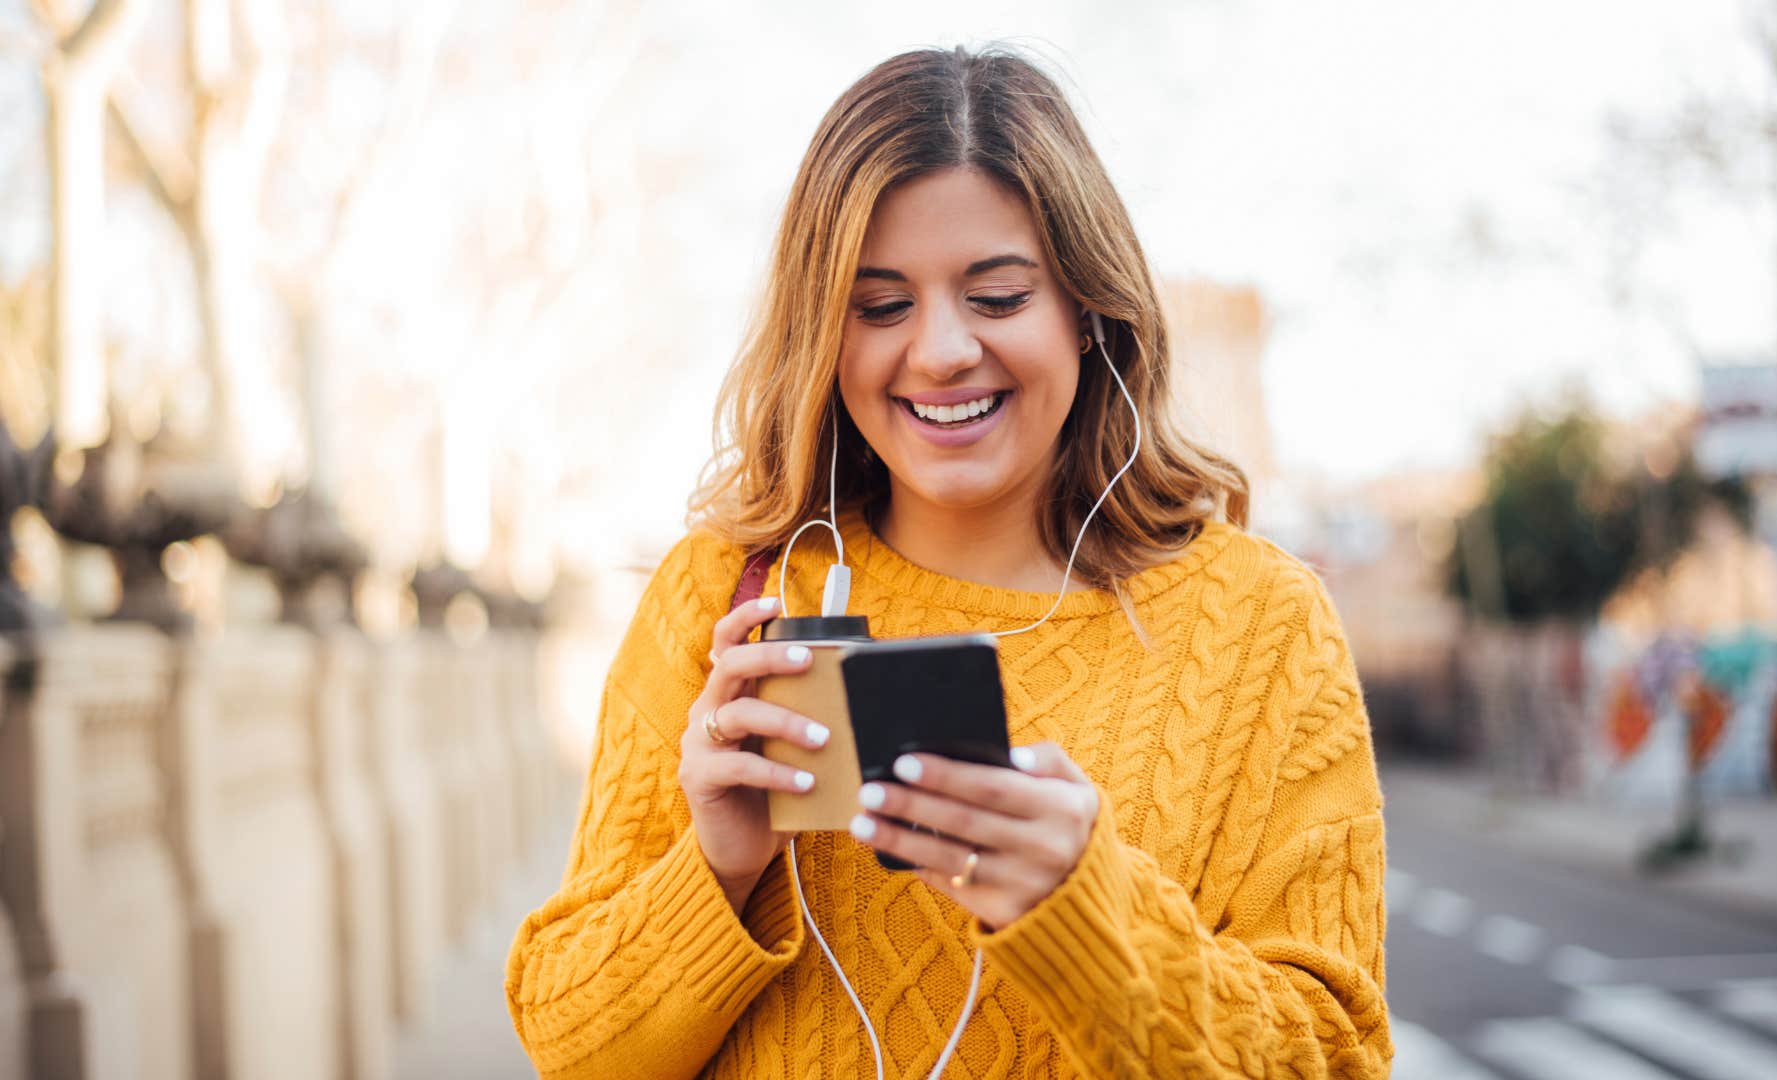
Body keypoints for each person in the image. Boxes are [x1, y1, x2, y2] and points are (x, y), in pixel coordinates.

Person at [504, 44, 1391, 1080]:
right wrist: (718, 864)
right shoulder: (720, 596)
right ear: (821, 332)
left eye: (999, 296)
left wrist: (1086, 913)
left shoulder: (1262, 624)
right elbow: (570, 1047)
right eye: (879, 306)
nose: (938, 352)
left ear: (1088, 308)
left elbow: (1334, 1058)